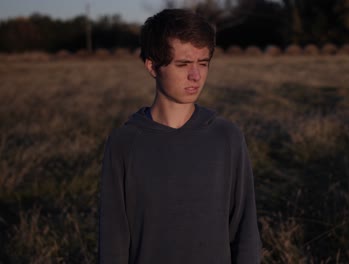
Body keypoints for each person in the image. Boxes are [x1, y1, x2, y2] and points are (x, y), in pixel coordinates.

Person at [99, 8, 261, 264]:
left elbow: (245, 231)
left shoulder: (226, 137)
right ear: (152, 66)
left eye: (203, 63)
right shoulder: (124, 143)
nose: (196, 76)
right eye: (183, 64)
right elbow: (113, 241)